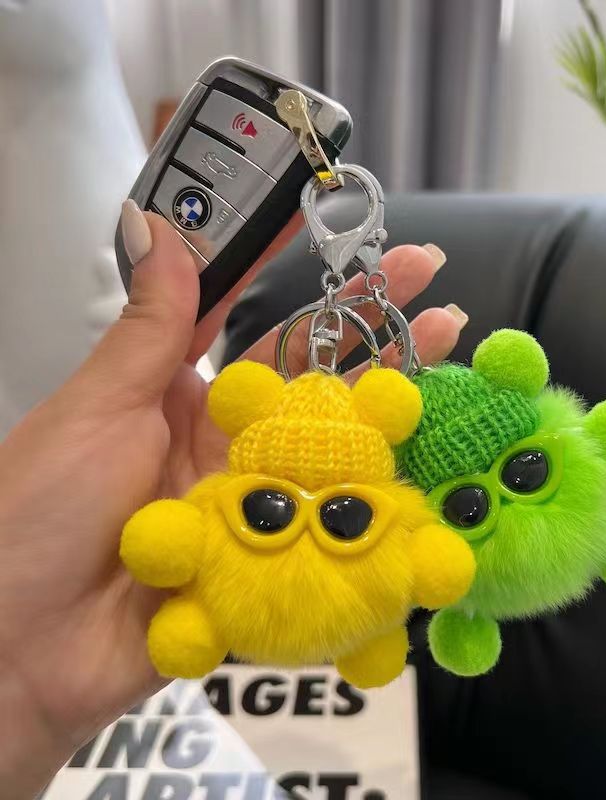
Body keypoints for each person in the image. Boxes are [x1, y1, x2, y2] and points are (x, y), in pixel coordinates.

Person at [0, 202, 466, 798]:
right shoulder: (222, 492)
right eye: (267, 509)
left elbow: (433, 564)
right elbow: (167, 540)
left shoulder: (225, 495)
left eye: (346, 517)